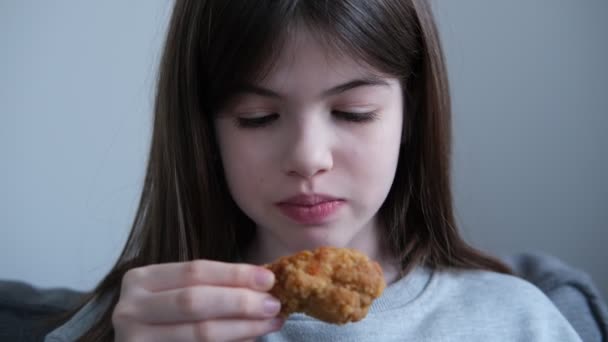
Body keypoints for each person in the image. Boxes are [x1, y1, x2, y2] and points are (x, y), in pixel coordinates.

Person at [45, 0, 582, 341]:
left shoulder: (518, 321)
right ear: (205, 127)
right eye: (258, 118)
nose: (308, 157)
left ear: (410, 112)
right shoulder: (138, 320)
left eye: (353, 113)